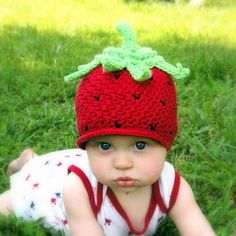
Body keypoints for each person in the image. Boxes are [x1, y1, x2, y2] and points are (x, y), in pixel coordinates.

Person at [0, 23, 215, 236]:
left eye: (140, 145)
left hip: (65, 163)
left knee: (38, 163)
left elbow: (197, 228)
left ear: (166, 143)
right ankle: (27, 163)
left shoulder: (172, 186)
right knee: (10, 204)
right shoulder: (78, 189)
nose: (122, 163)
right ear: (88, 145)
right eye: (104, 145)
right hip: (44, 189)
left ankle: (29, 158)